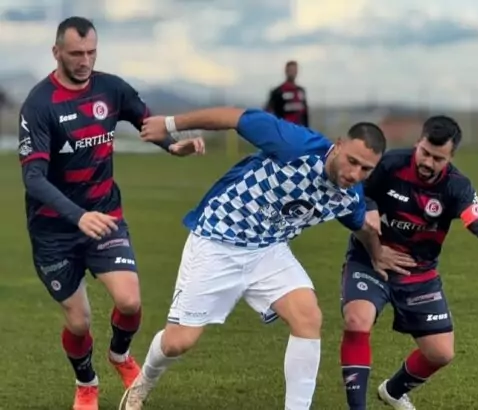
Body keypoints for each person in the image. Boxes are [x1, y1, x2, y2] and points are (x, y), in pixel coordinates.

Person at [118, 107, 400, 410]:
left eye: (366, 169)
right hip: (217, 240)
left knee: (308, 317)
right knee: (178, 342)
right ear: (339, 144)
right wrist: (169, 124)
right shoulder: (296, 144)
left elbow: (362, 227)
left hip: (268, 250)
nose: (354, 174)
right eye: (352, 161)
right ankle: (143, 381)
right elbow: (235, 117)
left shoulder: (349, 196)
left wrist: (377, 254)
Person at [17, 16, 203, 410]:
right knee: (79, 321)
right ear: (56, 52)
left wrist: (173, 145)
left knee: (130, 301)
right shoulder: (39, 104)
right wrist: (77, 216)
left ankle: (119, 354)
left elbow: (146, 122)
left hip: (105, 215)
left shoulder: (110, 89)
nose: (85, 61)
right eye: (76, 53)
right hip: (54, 230)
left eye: (91, 52)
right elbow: (33, 178)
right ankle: (86, 382)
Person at [339, 115, 478, 410]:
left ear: (451, 158)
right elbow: (356, 190)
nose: (427, 162)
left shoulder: (457, 186)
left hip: (418, 272)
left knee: (440, 353)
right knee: (357, 320)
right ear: (418, 142)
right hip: (371, 260)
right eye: (424, 152)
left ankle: (393, 391)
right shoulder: (390, 164)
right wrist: (369, 209)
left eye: (438, 158)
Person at [265, 60, 309, 127]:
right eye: (291, 70)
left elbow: (305, 114)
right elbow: (269, 111)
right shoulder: (278, 92)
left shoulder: (301, 91)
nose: (293, 72)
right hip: (284, 129)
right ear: (286, 71)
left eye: (295, 70)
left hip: (299, 129)